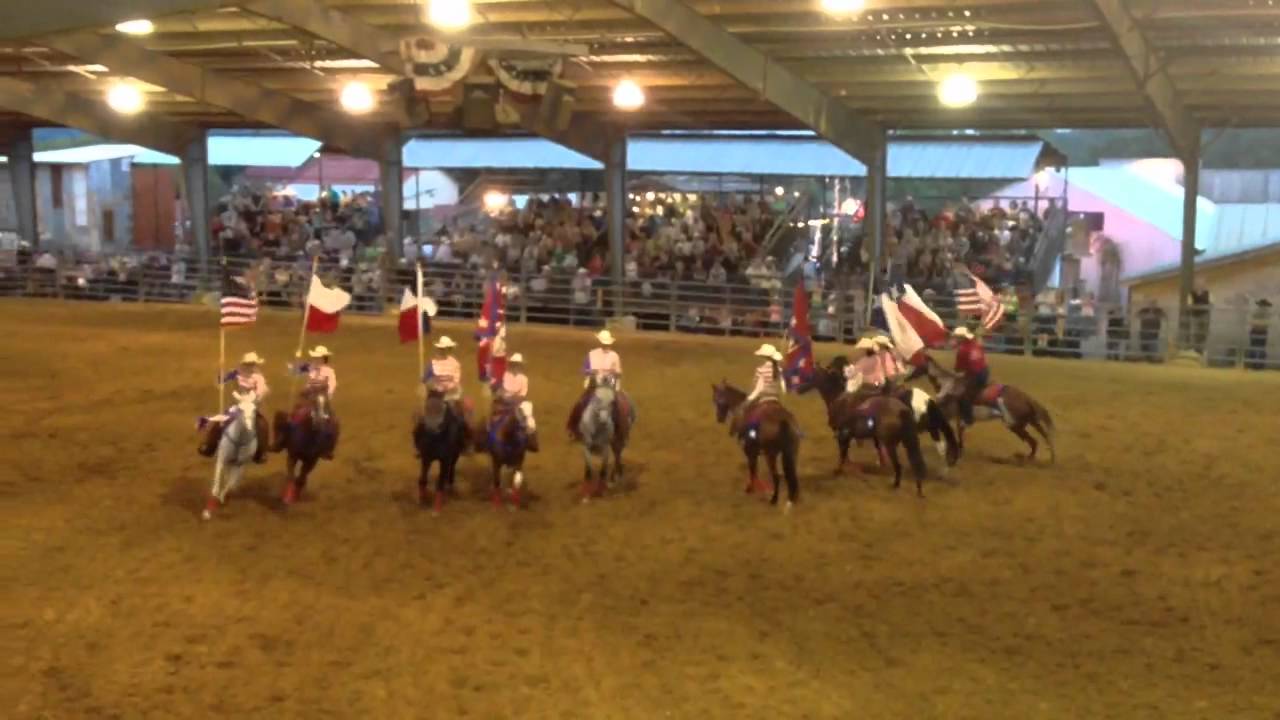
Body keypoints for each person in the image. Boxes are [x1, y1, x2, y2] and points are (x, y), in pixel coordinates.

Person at [205, 352, 270, 463]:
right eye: (248, 364)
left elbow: (262, 391)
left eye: (252, 364)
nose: (250, 366)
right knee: (218, 422)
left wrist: (253, 399)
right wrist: (220, 369)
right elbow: (220, 382)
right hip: (236, 405)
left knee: (263, 425)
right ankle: (209, 446)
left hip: (252, 406)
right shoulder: (235, 374)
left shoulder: (259, 377)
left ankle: (261, 452)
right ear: (244, 364)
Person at [567, 329, 629, 439]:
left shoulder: (615, 356)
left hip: (610, 383)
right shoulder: (592, 354)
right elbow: (583, 370)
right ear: (601, 343)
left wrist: (615, 372)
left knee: (620, 404)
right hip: (595, 383)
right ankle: (573, 428)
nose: (606, 345)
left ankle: (622, 429)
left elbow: (620, 372)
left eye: (608, 343)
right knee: (581, 403)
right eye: (604, 343)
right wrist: (591, 371)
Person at [282, 345, 340, 459]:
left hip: (322, 397)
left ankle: (327, 448)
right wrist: (296, 357)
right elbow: (294, 371)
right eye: (315, 357)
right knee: (294, 413)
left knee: (332, 422)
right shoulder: (310, 367)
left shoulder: (329, 371)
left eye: (319, 357)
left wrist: (327, 394)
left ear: (324, 358)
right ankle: (285, 439)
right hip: (308, 396)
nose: (316, 359)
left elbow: (332, 385)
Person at [423, 336, 472, 426]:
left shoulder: (454, 363)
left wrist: (446, 387)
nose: (444, 351)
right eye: (442, 349)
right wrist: (434, 386)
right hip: (438, 394)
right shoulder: (433, 363)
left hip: (450, 394)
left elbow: (456, 379)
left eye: (446, 349)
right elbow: (426, 380)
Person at [496, 352, 538, 451]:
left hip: (518, 401)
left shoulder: (524, 378)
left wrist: (515, 398)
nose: (515, 366)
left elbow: (523, 393)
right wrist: (505, 396)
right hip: (505, 401)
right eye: (514, 364)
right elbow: (502, 389)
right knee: (493, 414)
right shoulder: (505, 375)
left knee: (529, 416)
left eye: (517, 364)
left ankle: (532, 439)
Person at [741, 344, 785, 437]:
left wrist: (749, 399)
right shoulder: (779, 370)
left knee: (753, 420)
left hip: (764, 400)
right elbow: (784, 389)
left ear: (764, 356)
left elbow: (758, 389)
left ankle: (751, 436)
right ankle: (799, 432)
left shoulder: (760, 370)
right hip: (776, 400)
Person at [952, 326, 990, 426]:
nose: (955, 339)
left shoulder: (962, 350)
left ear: (962, 338)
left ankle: (968, 420)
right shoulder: (976, 344)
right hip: (984, 371)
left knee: (963, 395)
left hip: (975, 376)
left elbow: (959, 370)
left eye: (957, 337)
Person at [1247, 298, 1272, 370]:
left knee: (1255, 348)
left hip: (1255, 330)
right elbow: (1267, 323)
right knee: (1261, 348)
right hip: (1262, 331)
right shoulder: (1267, 313)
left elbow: (1251, 320)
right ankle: (1260, 366)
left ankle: (1255, 365)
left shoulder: (1255, 311)